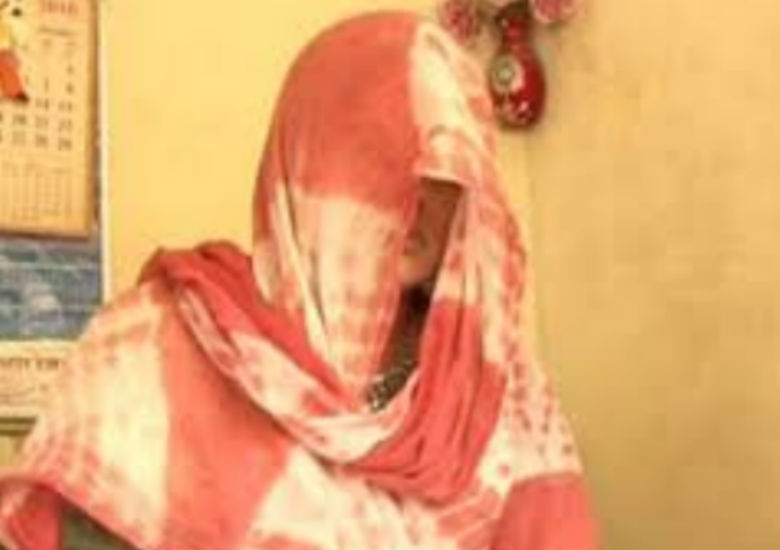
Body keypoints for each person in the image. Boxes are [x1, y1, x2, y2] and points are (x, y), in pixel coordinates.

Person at [0, 11, 598, 550]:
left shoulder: (497, 392)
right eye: (374, 157)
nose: (414, 200)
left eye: (440, 167)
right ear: (306, 160)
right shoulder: (153, 351)